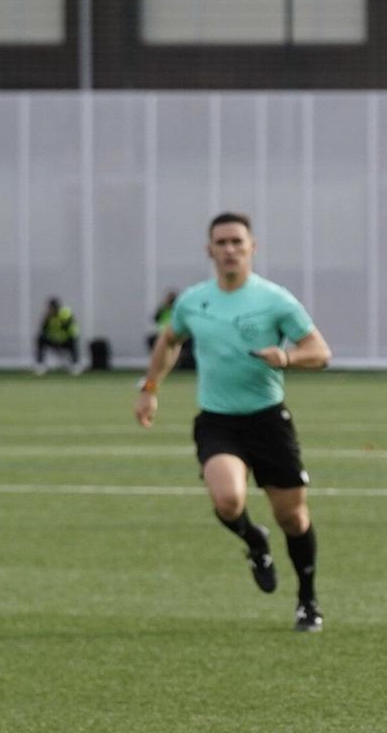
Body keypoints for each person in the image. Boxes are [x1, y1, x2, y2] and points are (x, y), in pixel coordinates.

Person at [136, 212, 331, 632]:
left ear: (252, 248)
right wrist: (150, 388)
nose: (229, 250)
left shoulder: (275, 300)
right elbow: (169, 341)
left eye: (236, 242)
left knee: (294, 519)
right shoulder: (192, 301)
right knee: (227, 501)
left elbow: (320, 352)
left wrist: (288, 358)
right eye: (221, 243)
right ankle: (253, 540)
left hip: (268, 421)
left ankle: (307, 600)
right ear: (209, 250)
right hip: (218, 421)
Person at [36, 297, 83, 375]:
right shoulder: (47, 316)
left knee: (73, 340)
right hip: (54, 340)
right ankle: (40, 365)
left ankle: (75, 364)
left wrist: (60, 336)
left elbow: (71, 329)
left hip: (66, 340)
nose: (51, 310)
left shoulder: (65, 313)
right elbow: (43, 330)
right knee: (40, 339)